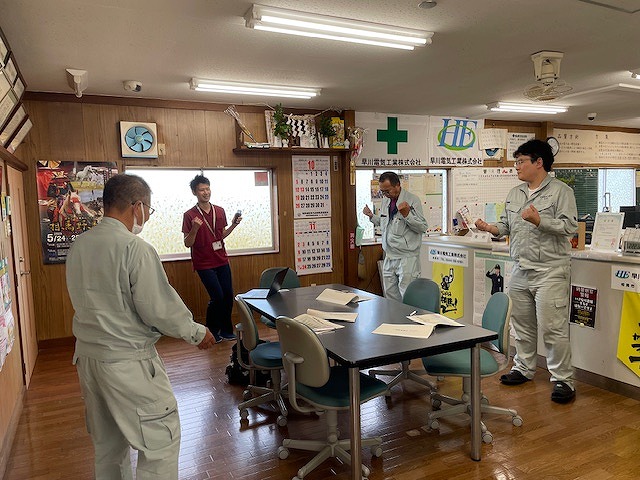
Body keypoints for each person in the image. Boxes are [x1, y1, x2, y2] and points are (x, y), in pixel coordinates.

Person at [66, 174, 216, 479]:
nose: (147, 216)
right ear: (137, 207)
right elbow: (158, 308)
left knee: (108, 448)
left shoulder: (79, 245)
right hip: (127, 362)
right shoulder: (135, 248)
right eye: (148, 209)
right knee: (160, 443)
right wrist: (196, 332)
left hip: (88, 360)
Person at [475, 139, 578, 404]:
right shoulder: (515, 193)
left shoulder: (561, 192)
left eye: (521, 161)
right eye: (516, 162)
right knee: (521, 324)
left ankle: (563, 380)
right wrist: (489, 228)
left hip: (550, 270)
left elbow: (570, 227)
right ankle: (523, 368)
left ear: (539, 162)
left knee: (553, 328)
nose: (517, 167)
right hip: (520, 268)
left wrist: (540, 220)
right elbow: (505, 226)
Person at [183, 175, 242, 343]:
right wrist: (194, 228)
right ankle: (212, 331)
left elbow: (221, 235)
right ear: (194, 192)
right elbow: (188, 243)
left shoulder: (219, 210)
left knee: (228, 296)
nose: (205, 192)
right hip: (203, 263)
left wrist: (234, 225)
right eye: (201, 190)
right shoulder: (189, 215)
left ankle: (226, 330)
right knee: (217, 297)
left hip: (221, 259)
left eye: (207, 189)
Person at [363, 171, 428, 302]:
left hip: (406, 257)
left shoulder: (412, 200)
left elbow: (422, 227)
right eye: (382, 191)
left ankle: (409, 316)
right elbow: (386, 223)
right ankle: (393, 316)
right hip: (389, 255)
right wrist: (372, 216)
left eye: (387, 191)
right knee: (390, 295)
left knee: (407, 296)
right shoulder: (386, 200)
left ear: (397, 185)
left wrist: (407, 215)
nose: (385, 194)